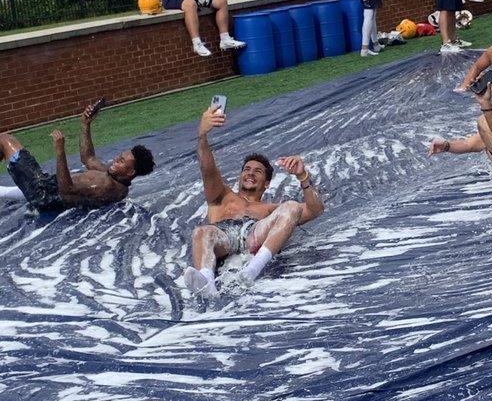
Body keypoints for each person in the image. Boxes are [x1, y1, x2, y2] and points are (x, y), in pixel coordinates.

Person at [183, 106, 324, 298]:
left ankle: (252, 271)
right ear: (240, 177)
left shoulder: (269, 209)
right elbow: (207, 169)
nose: (250, 173)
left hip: (254, 235)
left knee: (291, 206)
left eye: (257, 171)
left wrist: (303, 176)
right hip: (223, 236)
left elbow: (315, 209)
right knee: (201, 231)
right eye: (246, 169)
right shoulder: (222, 194)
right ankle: (206, 284)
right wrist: (202, 136)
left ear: (266, 184)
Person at [0, 100, 155, 213]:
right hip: (48, 186)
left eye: (121, 161)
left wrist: (60, 152)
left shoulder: (107, 187)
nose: (115, 160)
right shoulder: (112, 176)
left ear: (131, 172)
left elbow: (66, 191)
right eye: (119, 157)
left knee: (5, 140)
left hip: (44, 195)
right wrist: (85, 124)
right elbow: (88, 158)